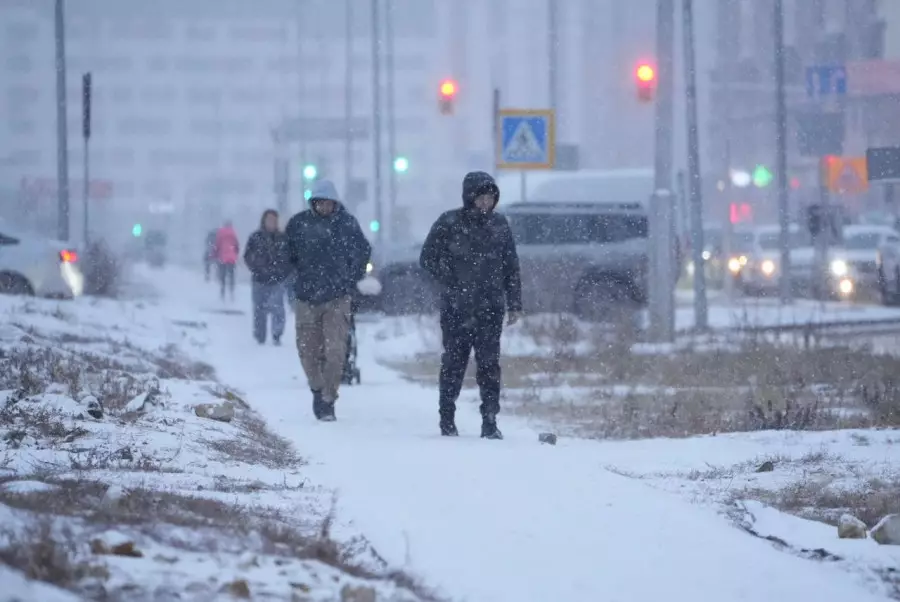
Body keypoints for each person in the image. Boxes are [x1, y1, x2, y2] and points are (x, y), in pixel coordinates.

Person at [419, 171, 523, 439]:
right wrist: (449, 280)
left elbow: (511, 267)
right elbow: (427, 258)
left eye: (490, 198)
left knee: (489, 365)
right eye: (481, 197)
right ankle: (447, 417)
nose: (486, 203)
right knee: (454, 363)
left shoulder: (500, 225)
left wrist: (515, 303)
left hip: (490, 308)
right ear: (470, 197)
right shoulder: (449, 222)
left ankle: (490, 421)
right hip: (457, 309)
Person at [285, 180, 371, 422]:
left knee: (335, 351)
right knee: (308, 351)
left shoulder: (347, 224)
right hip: (306, 298)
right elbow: (286, 256)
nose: (325, 206)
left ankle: (328, 398)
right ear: (314, 203)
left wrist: (351, 278)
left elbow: (363, 251)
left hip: (337, 297)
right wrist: (294, 278)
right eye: (320, 202)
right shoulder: (298, 224)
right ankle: (316, 387)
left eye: (328, 202)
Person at [244, 209, 290, 345]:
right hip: (259, 279)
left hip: (277, 280)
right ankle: (260, 335)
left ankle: (277, 334)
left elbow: (290, 259)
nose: (271, 222)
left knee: (278, 308)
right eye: (269, 219)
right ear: (263, 221)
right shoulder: (255, 237)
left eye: (274, 220)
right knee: (259, 309)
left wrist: (283, 272)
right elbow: (247, 256)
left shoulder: (283, 238)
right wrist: (256, 267)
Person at [215, 219, 240, 301]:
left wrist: (215, 254)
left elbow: (217, 245)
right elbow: (237, 245)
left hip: (222, 257)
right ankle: (231, 293)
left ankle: (222, 293)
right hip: (232, 258)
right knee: (231, 276)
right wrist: (235, 253)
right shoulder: (233, 233)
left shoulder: (220, 232)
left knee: (223, 276)